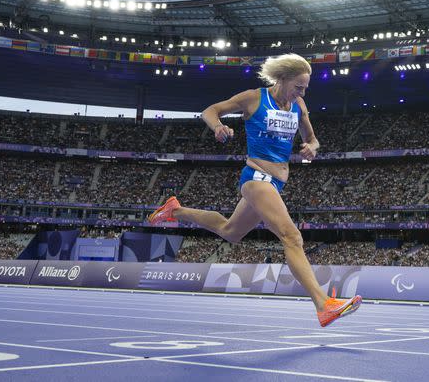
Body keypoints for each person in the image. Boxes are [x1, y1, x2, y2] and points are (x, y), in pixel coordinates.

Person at [148, 53, 361, 327]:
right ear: (282, 79)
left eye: (306, 88)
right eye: (298, 86)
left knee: (230, 231)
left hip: (276, 183)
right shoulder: (254, 98)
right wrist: (218, 127)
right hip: (257, 178)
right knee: (292, 237)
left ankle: (175, 210)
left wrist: (312, 148)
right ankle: (323, 304)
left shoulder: (298, 104)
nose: (302, 92)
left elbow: (312, 139)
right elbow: (210, 111)